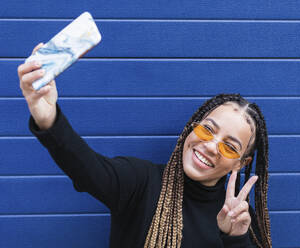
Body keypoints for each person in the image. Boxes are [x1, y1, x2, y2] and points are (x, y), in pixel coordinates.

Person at [18, 43, 272, 248]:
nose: (210, 146)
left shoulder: (238, 217)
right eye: (207, 130)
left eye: (229, 147)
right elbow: (86, 167)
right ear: (191, 127)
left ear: (241, 163)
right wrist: (48, 119)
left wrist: (236, 239)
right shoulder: (141, 182)